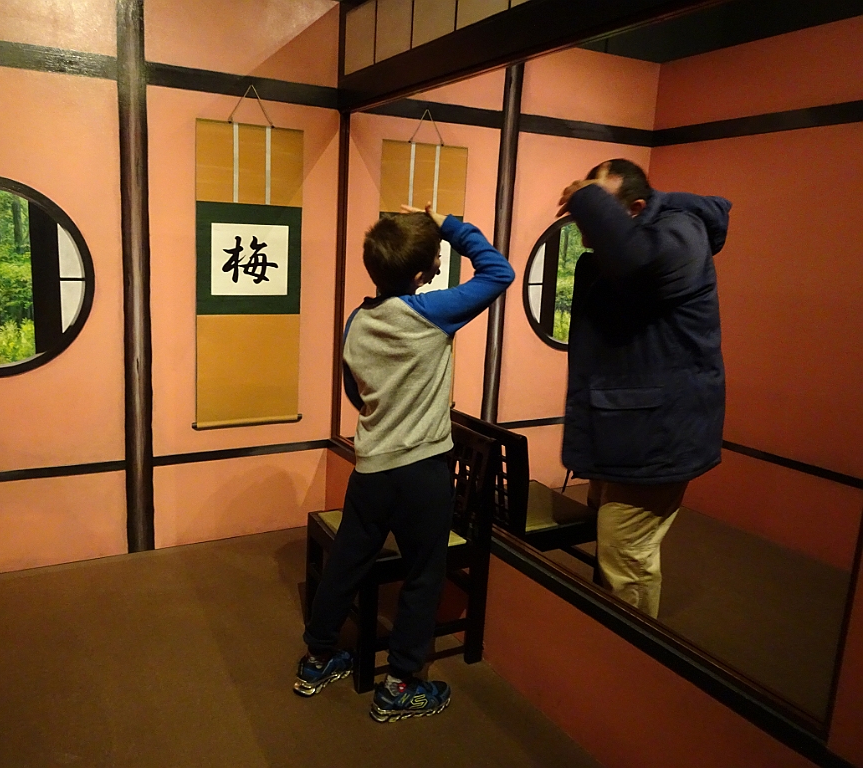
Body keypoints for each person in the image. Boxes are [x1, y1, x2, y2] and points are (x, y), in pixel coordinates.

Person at [294, 203, 514, 722]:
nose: (439, 266)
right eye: (435, 259)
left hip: (371, 467)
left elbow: (356, 393)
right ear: (419, 275)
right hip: (423, 471)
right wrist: (448, 224)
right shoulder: (433, 311)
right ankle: (400, 685)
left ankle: (317, 659)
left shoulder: (356, 321)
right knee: (423, 575)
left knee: (347, 563)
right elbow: (499, 272)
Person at [556, 159, 731, 618]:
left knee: (626, 555)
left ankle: (627, 653)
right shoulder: (638, 238)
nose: (584, 220)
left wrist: (585, 197)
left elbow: (636, 260)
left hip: (660, 435)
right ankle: (606, 634)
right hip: (625, 427)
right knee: (613, 545)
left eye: (598, 205)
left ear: (635, 208)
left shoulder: (682, 234)